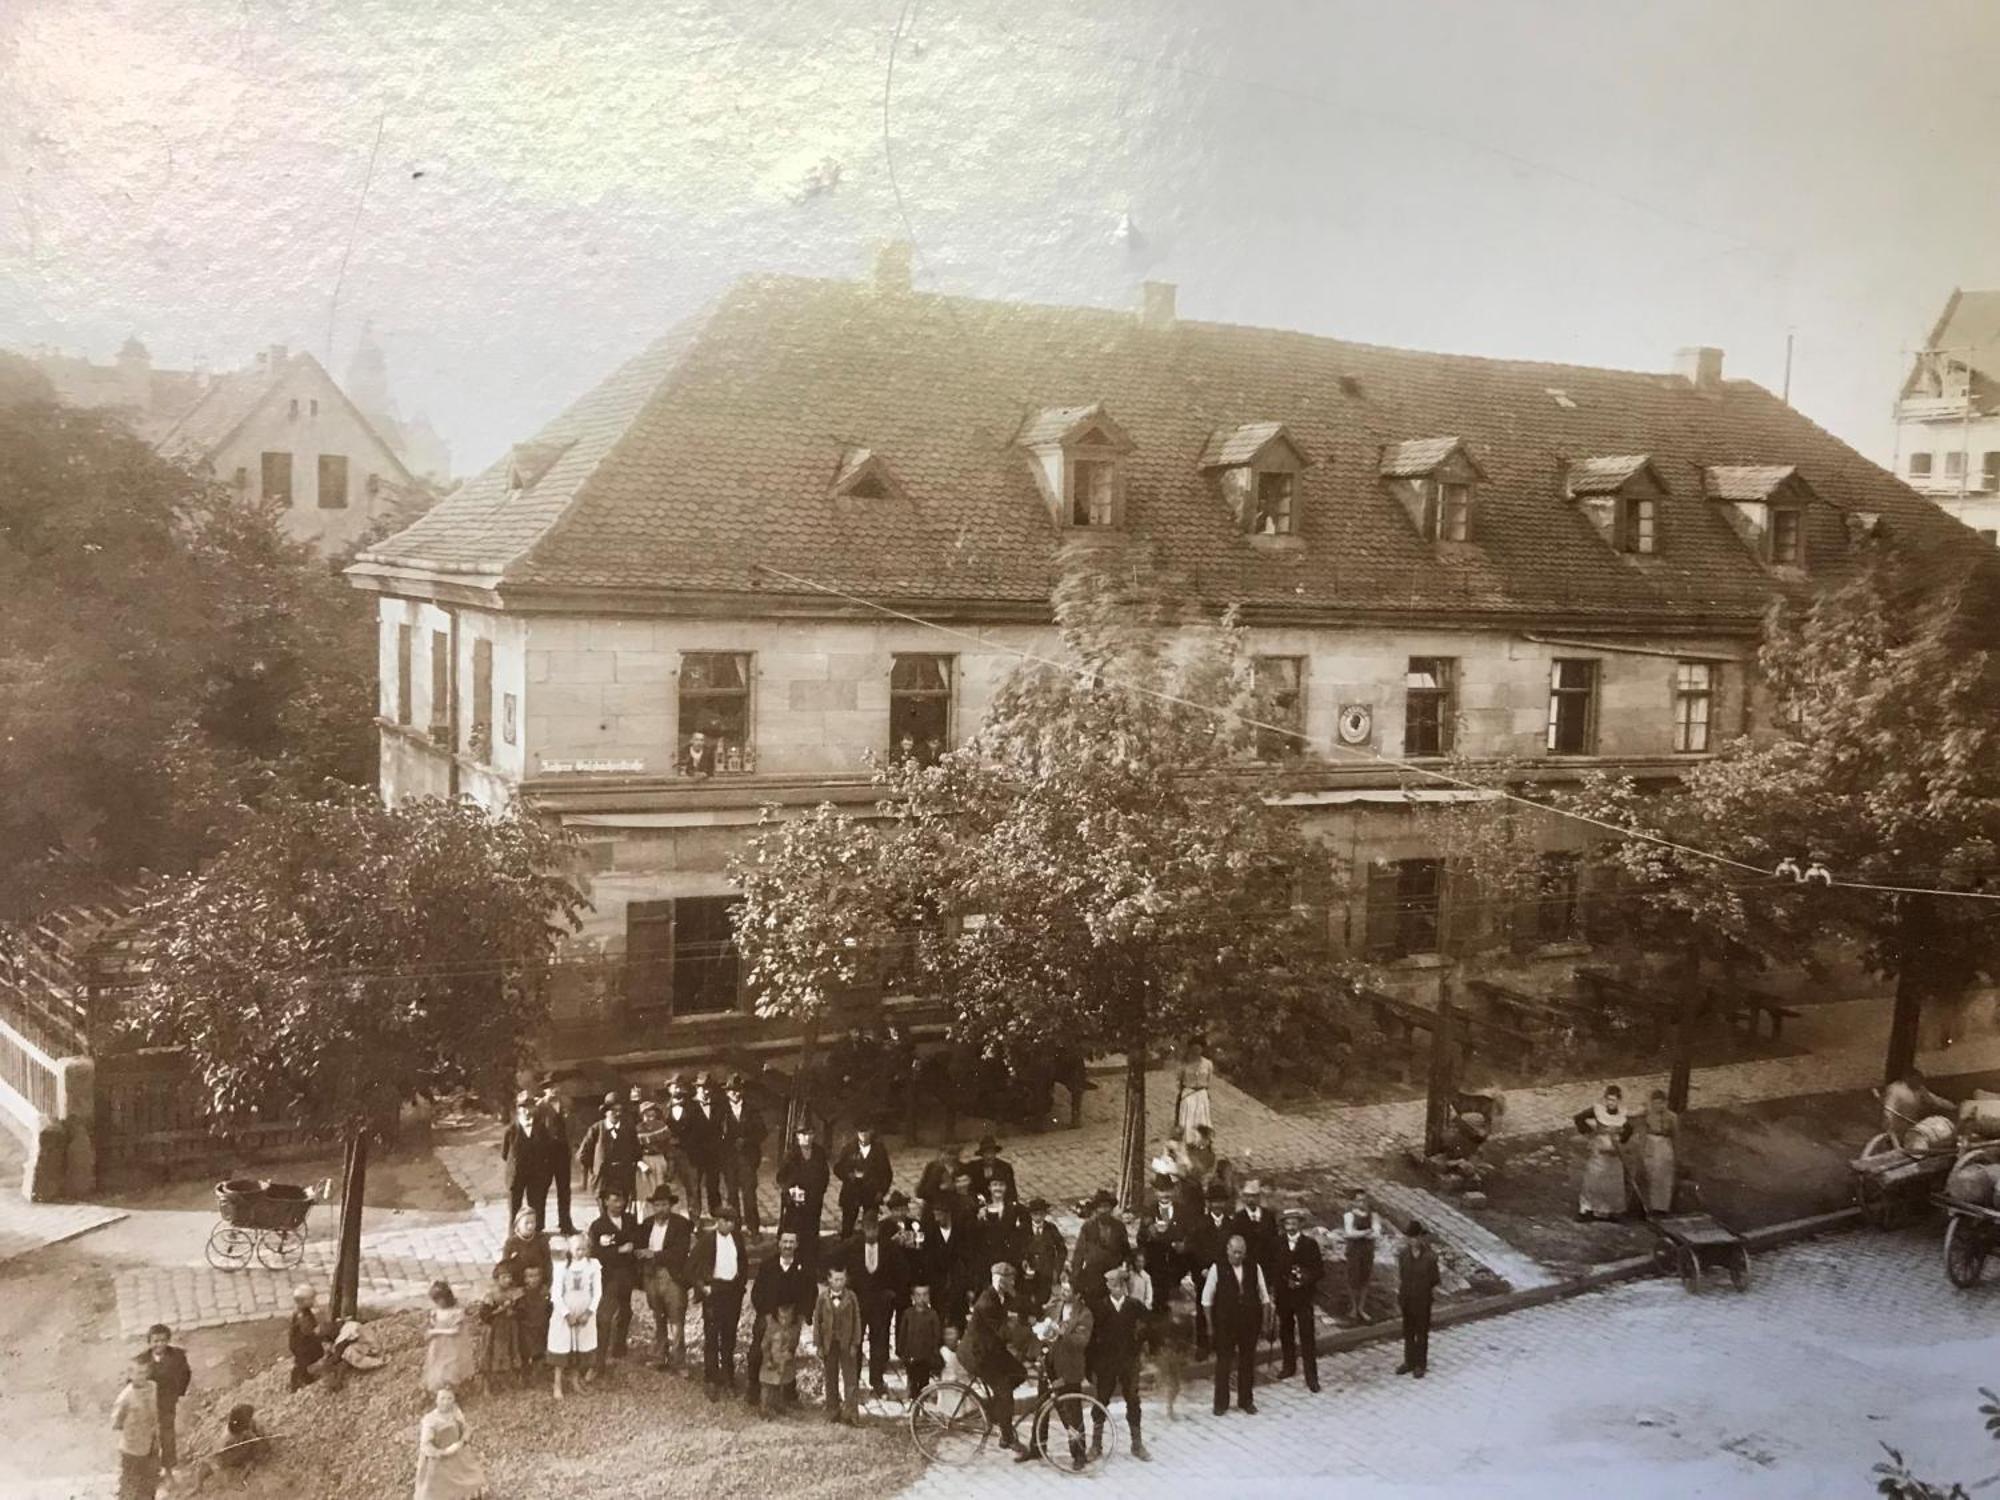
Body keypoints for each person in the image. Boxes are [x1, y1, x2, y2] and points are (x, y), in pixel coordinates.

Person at [959, 1261, 1028, 1453]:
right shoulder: (987, 1302)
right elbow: (1004, 1331)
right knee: (1004, 1390)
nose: (1014, 1281)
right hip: (977, 1354)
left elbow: (1018, 1312)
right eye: (1010, 1279)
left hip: (991, 1349)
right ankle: (1007, 1438)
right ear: (999, 1281)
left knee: (1020, 1373)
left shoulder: (1001, 1296)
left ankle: (994, 1411)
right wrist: (1030, 1336)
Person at [745, 1229, 816, 1410]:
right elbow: (757, 1292)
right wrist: (768, 1314)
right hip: (769, 1315)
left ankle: (789, 1394)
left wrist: (801, 1315)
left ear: (796, 1245)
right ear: (779, 1243)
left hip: (792, 1317)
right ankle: (754, 1389)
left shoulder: (804, 1267)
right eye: (784, 1242)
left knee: (788, 1353)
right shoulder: (768, 1265)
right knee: (758, 1352)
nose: (787, 1246)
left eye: (791, 1242)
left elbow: (811, 1293)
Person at [1087, 1265, 1151, 1462]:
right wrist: (1090, 1366)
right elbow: (1091, 1338)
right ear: (1107, 1286)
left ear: (1124, 1285)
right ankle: (1096, 1445)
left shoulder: (1134, 1306)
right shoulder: (1099, 1308)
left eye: (1120, 1284)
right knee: (1101, 1401)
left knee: (1132, 1400)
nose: (1117, 1288)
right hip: (1105, 1364)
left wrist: (1138, 1343)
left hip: (1128, 1362)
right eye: (1112, 1284)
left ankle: (1137, 1443)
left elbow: (1147, 1327)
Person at [1031, 1271, 1093, 1470]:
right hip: (1049, 1366)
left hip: (1068, 1370)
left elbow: (1081, 1342)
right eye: (1062, 1287)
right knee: (1041, 1406)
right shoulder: (1054, 1308)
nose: (1064, 1292)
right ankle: (1037, 1447)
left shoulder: (1084, 1314)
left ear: (1078, 1293)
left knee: (1072, 1412)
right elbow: (1042, 1332)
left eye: (1068, 1289)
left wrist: (1061, 1333)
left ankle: (1078, 1454)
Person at [1201, 1233, 1266, 1416]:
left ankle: (1246, 1400)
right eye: (1235, 1252)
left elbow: (1263, 1294)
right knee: (1223, 1363)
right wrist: (1210, 1325)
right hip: (1225, 1324)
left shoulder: (1254, 1267)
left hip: (1248, 1323)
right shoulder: (1217, 1268)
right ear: (1228, 1250)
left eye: (1241, 1253)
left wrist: (1266, 1319)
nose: (1238, 1256)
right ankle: (1221, 1403)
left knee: (1247, 1361)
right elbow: (1206, 1299)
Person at [842, 1213, 907, 1398]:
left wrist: (892, 1292)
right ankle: (852, 1382)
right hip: (858, 1303)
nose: (871, 1233)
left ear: (878, 1229)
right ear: (863, 1229)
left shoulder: (889, 1247)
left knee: (879, 1342)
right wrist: (843, 1286)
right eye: (868, 1229)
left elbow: (902, 1271)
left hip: (881, 1304)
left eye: (874, 1229)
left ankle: (877, 1381)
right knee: (856, 1340)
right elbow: (831, 1260)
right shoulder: (853, 1246)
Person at [690, 1203, 749, 1399]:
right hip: (714, 1292)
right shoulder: (707, 1241)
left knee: (729, 1336)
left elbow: (743, 1264)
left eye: (733, 1222)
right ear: (719, 1221)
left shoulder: (737, 1239)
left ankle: (728, 1377)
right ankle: (711, 1379)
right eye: (726, 1221)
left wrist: (740, 1288)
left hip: (732, 1293)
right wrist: (702, 1287)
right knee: (712, 1337)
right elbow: (691, 1266)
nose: (730, 1225)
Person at [638, 1186, 694, 1373]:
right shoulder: (646, 1224)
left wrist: (653, 1254)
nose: (660, 1209)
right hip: (650, 1275)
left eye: (664, 1205)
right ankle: (658, 1356)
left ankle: (679, 1362)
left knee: (676, 1319)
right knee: (658, 1316)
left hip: (671, 1276)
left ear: (671, 1205)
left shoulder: (681, 1225)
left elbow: (679, 1253)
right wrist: (639, 1253)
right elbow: (638, 1246)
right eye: (657, 1205)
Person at [586, 1188, 642, 1372]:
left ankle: (619, 1344)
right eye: (615, 1200)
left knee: (625, 1310)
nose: (619, 1204)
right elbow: (595, 1253)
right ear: (605, 1202)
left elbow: (637, 1241)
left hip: (628, 1273)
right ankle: (599, 1355)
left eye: (622, 1200)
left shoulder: (630, 1220)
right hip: (609, 1275)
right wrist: (618, 1251)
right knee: (606, 1313)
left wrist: (632, 1248)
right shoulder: (598, 1226)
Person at [1275, 1206, 1324, 1392]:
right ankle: (1289, 1366)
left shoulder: (1310, 1244)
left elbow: (1319, 1270)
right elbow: (1274, 1266)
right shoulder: (1277, 1243)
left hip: (1303, 1297)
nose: (1291, 1225)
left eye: (1295, 1222)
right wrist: (1280, 1283)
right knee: (1286, 1331)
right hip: (1284, 1296)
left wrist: (1304, 1278)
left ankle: (1311, 1376)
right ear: (1284, 1225)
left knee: (1307, 1335)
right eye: (1288, 1222)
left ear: (1300, 1224)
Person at [548, 1233, 601, 1400]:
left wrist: (589, 1312)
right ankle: (557, 1384)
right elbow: (556, 1294)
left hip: (584, 1313)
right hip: (565, 1313)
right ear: (570, 1249)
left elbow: (598, 1292)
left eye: (584, 1248)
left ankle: (575, 1380)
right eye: (577, 1249)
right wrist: (566, 1314)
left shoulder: (593, 1265)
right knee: (562, 1346)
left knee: (580, 1347)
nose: (580, 1252)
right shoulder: (561, 1266)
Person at [1186, 1184, 1235, 1358]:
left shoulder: (1231, 1224)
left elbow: (1234, 1249)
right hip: (1205, 1273)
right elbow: (1193, 1250)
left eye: (1221, 1202)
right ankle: (1203, 1344)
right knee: (1202, 1308)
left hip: (1225, 1273)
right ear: (1209, 1204)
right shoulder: (1200, 1224)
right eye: (1214, 1202)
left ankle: (1222, 1343)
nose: (1218, 1206)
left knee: (1224, 1309)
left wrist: (1227, 1269)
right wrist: (1201, 1269)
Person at [413, 1387, 487, 1500]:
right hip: (438, 1461)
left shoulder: (456, 1412)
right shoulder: (430, 1420)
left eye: (449, 1398)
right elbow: (425, 1445)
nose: (446, 1402)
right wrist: (441, 1453)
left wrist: (462, 1442)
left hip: (458, 1455)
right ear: (436, 1400)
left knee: (474, 1481)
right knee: (441, 1492)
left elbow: (466, 1429)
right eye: (442, 1398)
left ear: (453, 1400)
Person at [501, 1092, 560, 1232]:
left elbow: (547, 1152)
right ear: (518, 1109)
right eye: (523, 1108)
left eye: (530, 1107)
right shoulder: (511, 1131)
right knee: (514, 1206)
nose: (527, 1111)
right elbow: (505, 1154)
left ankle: (537, 1233)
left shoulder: (541, 1130)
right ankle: (514, 1234)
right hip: (517, 1175)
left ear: (534, 1109)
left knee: (537, 1205)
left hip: (536, 1174)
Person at [814, 1265, 865, 1424]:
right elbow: (817, 1321)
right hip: (829, 1343)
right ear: (829, 1280)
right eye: (836, 1279)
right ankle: (832, 1410)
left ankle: (851, 1413)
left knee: (850, 1378)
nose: (839, 1283)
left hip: (847, 1343)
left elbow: (857, 1320)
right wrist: (819, 1345)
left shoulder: (851, 1297)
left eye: (842, 1279)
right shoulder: (823, 1298)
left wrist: (855, 1343)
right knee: (831, 1377)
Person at [717, 1073, 767, 1236]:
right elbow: (715, 1134)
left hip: (748, 1158)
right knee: (731, 1194)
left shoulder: (751, 1110)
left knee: (749, 1194)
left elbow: (762, 1132)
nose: (735, 1093)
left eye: (738, 1090)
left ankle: (753, 1228)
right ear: (726, 1092)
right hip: (729, 1159)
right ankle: (735, 1228)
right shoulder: (721, 1111)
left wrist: (747, 1141)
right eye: (732, 1090)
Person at [1574, 1085, 1634, 1220]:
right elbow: (1578, 1118)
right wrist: (1589, 1133)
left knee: (1613, 1182)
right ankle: (1587, 1210)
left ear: (1618, 1101)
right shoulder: (1598, 1110)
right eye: (1608, 1100)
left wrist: (1622, 1139)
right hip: (1599, 1148)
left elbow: (1629, 1129)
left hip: (1614, 1151)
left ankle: (1611, 1211)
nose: (1610, 1103)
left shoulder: (1622, 1113)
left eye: (1613, 1100)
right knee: (1594, 1179)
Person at [776, 1126, 830, 1264]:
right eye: (803, 1135)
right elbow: (781, 1178)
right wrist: (791, 1190)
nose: (807, 1138)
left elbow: (824, 1174)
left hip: (813, 1198)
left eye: (810, 1134)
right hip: (795, 1201)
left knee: (812, 1228)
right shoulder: (791, 1154)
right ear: (797, 1137)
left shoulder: (819, 1152)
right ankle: (794, 1257)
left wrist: (819, 1191)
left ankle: (811, 1259)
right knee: (795, 1227)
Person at [143, 1322, 191, 1478]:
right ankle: (151, 1468)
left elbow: (185, 1374)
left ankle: (168, 1467)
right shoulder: (141, 1361)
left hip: (167, 1402)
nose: (159, 1344)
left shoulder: (177, 1356)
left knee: (167, 1434)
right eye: (155, 1341)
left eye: (163, 1340)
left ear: (168, 1340)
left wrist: (179, 1393)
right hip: (147, 1405)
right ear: (149, 1342)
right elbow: (132, 1383)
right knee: (149, 1435)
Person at [111, 1352, 160, 1500]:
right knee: (130, 1484)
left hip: (151, 1443)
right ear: (130, 1374)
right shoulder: (125, 1397)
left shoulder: (153, 1387)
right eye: (136, 1373)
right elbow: (117, 1422)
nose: (140, 1376)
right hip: (131, 1448)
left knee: (150, 1480)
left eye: (144, 1372)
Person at [1068, 1189, 1131, 1301]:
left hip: (1113, 1273)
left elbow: (1126, 1251)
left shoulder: (1119, 1227)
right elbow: (1079, 1254)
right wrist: (1074, 1279)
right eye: (1100, 1207)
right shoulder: (1088, 1227)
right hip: (1093, 1274)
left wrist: (1123, 1269)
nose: (1103, 1210)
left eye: (1106, 1207)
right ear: (1096, 1209)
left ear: (1111, 1209)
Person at [1396, 1219, 1440, 1378]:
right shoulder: (1403, 1255)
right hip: (1407, 1297)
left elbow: (1435, 1279)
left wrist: (1422, 1288)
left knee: (1421, 1332)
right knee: (1408, 1331)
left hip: (1422, 1299)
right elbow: (1402, 1274)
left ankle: (1420, 1364)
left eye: (1415, 1237)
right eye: (1409, 1238)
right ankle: (1409, 1361)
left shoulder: (1430, 1257)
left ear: (1421, 1238)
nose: (1412, 1241)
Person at [578, 1095, 641, 1205]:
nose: (618, 1114)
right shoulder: (596, 1129)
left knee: (621, 1208)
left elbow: (636, 1152)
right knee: (604, 1212)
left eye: (620, 1110)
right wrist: (595, 1168)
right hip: (602, 1179)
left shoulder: (628, 1129)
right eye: (613, 1110)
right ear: (606, 1112)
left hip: (623, 1177)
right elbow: (583, 1154)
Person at [834, 1122, 894, 1237]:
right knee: (847, 1227)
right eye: (861, 1132)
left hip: (871, 1193)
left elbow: (887, 1173)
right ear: (857, 1133)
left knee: (870, 1226)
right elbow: (838, 1168)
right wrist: (849, 1175)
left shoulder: (879, 1149)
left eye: (866, 1132)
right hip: (852, 1192)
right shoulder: (849, 1148)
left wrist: (881, 1191)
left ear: (871, 1132)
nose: (864, 1135)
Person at [535, 1082, 578, 1236]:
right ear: (544, 1089)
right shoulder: (539, 1107)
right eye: (549, 1087)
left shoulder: (566, 1103)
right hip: (545, 1155)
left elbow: (572, 1126)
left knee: (564, 1190)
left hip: (562, 1153)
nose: (553, 1090)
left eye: (555, 1086)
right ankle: (538, 1225)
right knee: (541, 1190)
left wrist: (570, 1144)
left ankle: (565, 1224)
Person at [422, 1281, 477, 1396]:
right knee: (437, 1365)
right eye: (435, 1300)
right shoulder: (436, 1311)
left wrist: (435, 1331)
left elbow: (455, 1331)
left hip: (452, 1344)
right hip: (438, 1344)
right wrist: (432, 1324)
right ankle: (440, 1392)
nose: (437, 1303)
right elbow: (434, 1324)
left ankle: (451, 1392)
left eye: (439, 1300)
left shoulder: (456, 1312)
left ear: (446, 1298)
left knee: (450, 1367)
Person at [1882, 1068, 1958, 1150]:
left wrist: (1952, 1106)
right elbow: (1889, 1108)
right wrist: (1889, 1122)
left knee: (1917, 1142)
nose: (1919, 1082)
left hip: (1911, 1124)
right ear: (1907, 1079)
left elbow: (1934, 1099)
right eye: (1916, 1080)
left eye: (1919, 1080)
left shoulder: (1919, 1089)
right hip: (1896, 1125)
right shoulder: (1895, 1089)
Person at [479, 1268, 525, 1392]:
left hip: (509, 1328)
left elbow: (521, 1311)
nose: (507, 1280)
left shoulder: (514, 1292)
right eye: (504, 1277)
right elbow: (484, 1315)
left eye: (509, 1277)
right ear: (497, 1279)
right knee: (490, 1352)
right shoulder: (491, 1294)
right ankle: (486, 1384)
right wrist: (500, 1309)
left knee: (507, 1351)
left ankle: (504, 1381)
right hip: (494, 1329)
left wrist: (513, 1312)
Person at [898, 1281, 944, 1398]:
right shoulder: (908, 1314)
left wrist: (934, 1351)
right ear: (913, 1297)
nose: (922, 1298)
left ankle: (922, 1402)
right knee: (912, 1380)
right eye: (918, 1295)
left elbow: (936, 1335)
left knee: (924, 1381)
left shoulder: (932, 1315)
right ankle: (914, 1401)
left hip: (926, 1356)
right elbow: (902, 1333)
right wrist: (902, 1351)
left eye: (925, 1295)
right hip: (911, 1355)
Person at [973, 1177, 1028, 1276]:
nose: (998, 1188)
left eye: (1001, 1185)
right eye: (995, 1185)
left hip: (1009, 1257)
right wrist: (979, 1218)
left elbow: (1023, 1234)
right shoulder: (982, 1209)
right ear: (989, 1188)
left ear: (1006, 1187)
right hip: (988, 1257)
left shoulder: (1016, 1209)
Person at [1339, 1188, 1378, 1323]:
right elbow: (1349, 1232)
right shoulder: (1349, 1215)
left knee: (1364, 1278)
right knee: (1353, 1278)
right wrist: (1367, 1232)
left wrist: (1361, 1233)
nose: (1362, 1203)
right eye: (1358, 1200)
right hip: (1354, 1250)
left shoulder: (1372, 1214)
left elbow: (1376, 1232)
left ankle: (1361, 1308)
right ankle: (1354, 1308)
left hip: (1367, 1250)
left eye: (1364, 1200)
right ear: (1353, 1202)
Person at [1021, 1197, 1067, 1310]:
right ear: (1030, 1214)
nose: (1038, 1217)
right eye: (1035, 1214)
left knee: (1044, 1298)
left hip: (1046, 1271)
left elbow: (1062, 1250)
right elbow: (1017, 1248)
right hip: (1028, 1272)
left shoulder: (1051, 1229)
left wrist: (1057, 1269)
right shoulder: (1023, 1229)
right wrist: (1022, 1261)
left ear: (1045, 1214)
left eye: (1041, 1214)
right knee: (1027, 1297)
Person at [1232, 1179, 1282, 1285]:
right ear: (1244, 1198)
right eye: (1248, 1196)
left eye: (1254, 1196)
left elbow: (1274, 1239)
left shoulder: (1268, 1216)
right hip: (1247, 1264)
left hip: (1267, 1264)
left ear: (1259, 1197)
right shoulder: (1238, 1218)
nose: (1251, 1200)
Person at [1640, 1089, 1680, 1214]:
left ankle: (1663, 1207)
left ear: (1665, 1103)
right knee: (1651, 1175)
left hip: (1665, 1144)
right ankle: (1650, 1207)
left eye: (1661, 1103)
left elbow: (1676, 1135)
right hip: (1651, 1143)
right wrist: (1642, 1151)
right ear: (1652, 1103)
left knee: (1665, 1176)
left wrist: (1676, 1152)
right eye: (1656, 1103)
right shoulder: (1648, 1116)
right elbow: (1642, 1134)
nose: (1659, 1106)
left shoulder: (1672, 1117)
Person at [494, 1207, 553, 1292]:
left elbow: (548, 1264)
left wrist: (546, 1285)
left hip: (538, 1285)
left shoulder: (541, 1241)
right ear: (518, 1225)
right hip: (518, 1286)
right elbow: (505, 1266)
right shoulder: (511, 1243)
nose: (530, 1226)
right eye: (527, 1223)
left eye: (533, 1222)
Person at [692, 1074, 726, 1214]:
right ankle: (697, 1217)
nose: (706, 1091)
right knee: (695, 1186)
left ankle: (716, 1212)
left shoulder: (718, 1105)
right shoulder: (690, 1106)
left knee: (713, 1184)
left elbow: (723, 1127)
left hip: (713, 1152)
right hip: (696, 1153)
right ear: (697, 1088)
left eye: (708, 1088)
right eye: (702, 1088)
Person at [757, 1306, 798, 1417]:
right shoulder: (772, 1328)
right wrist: (768, 1359)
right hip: (771, 1361)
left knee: (779, 1384)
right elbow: (764, 1345)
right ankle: (764, 1408)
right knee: (767, 1386)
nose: (784, 1321)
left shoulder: (792, 1330)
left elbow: (792, 1344)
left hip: (783, 1362)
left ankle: (776, 1405)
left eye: (787, 1318)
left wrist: (790, 1353)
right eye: (781, 1318)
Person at [288, 1285, 329, 1391]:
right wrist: (322, 1331)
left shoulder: (303, 1311)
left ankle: (304, 1376)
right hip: (301, 1344)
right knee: (303, 1361)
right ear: (303, 1301)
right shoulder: (303, 1316)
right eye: (312, 1299)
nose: (314, 1301)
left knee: (310, 1357)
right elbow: (309, 1331)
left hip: (303, 1342)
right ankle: (298, 1382)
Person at [1176, 1035, 1214, 1143]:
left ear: (1202, 1049)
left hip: (1202, 1094)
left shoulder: (1208, 1064)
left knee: (1201, 1118)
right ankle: (1188, 1141)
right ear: (1190, 1049)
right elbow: (1179, 1080)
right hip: (1188, 1093)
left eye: (1199, 1048)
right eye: (1194, 1048)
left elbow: (1209, 1081)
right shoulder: (1185, 1064)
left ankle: (1202, 1141)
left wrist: (1205, 1093)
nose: (1197, 1050)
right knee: (1189, 1118)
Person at [516, 1265, 551, 1378]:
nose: (534, 1279)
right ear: (525, 1279)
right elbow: (520, 1311)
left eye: (537, 1276)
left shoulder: (544, 1292)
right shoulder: (522, 1293)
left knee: (540, 1348)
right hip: (526, 1327)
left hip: (541, 1325)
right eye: (530, 1276)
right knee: (525, 1350)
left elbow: (548, 1308)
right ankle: (524, 1373)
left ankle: (538, 1372)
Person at [216, 1403, 270, 1474]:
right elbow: (222, 1458)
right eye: (249, 1419)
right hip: (231, 1455)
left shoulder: (243, 1427)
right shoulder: (231, 1439)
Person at [968, 1134, 1017, 1206]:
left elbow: (1011, 1192)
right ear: (982, 1154)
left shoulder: (1005, 1168)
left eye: (991, 1153)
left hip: (1001, 1204)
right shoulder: (974, 1168)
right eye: (986, 1153)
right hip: (981, 1205)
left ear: (995, 1153)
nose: (989, 1156)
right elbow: (971, 1190)